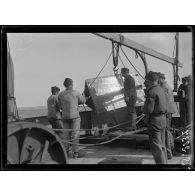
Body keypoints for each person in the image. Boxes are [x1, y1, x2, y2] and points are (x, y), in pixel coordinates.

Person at [58, 78, 87, 158]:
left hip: (65, 117)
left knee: (65, 136)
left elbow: (60, 106)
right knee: (75, 135)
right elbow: (83, 101)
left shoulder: (60, 94)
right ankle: (75, 153)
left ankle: (66, 153)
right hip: (75, 117)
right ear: (71, 84)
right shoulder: (76, 92)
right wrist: (84, 97)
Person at [143, 72, 167, 164]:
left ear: (149, 80)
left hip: (154, 122)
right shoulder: (162, 89)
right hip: (163, 120)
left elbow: (148, 109)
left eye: (147, 81)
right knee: (162, 146)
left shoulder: (151, 92)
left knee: (156, 147)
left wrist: (142, 108)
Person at [158, 73, 176, 160]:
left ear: (161, 78)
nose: (157, 81)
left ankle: (169, 153)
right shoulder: (167, 86)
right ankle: (170, 151)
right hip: (170, 110)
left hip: (166, 111)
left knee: (165, 133)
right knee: (167, 131)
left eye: (158, 79)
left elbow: (164, 101)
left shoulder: (163, 87)